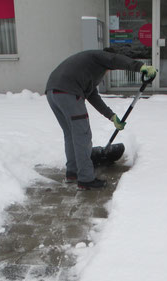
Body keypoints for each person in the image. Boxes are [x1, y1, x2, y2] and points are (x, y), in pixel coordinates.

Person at [46, 48, 157, 190]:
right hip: (69, 92)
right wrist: (141, 67)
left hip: (53, 92)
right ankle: (86, 180)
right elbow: (116, 60)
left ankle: (72, 173)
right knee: (82, 135)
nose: (109, 71)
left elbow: (92, 95)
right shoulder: (99, 57)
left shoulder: (89, 67)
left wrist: (112, 117)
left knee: (70, 134)